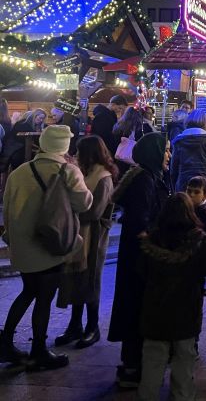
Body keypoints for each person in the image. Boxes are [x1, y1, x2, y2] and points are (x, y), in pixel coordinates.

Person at [0, 125, 93, 370]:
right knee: (44, 298)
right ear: (64, 147)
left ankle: (6, 341)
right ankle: (39, 350)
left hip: (23, 246)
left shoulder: (20, 171)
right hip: (51, 246)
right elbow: (84, 204)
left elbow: (6, 207)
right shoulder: (68, 170)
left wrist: (10, 237)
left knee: (28, 291)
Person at [137, 193, 206, 401]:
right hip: (186, 309)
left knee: (153, 358)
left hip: (154, 310)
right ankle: (182, 396)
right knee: (184, 356)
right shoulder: (199, 241)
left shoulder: (149, 242)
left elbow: (141, 273)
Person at [108, 133, 172, 389]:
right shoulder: (144, 180)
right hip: (141, 260)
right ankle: (133, 366)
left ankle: (134, 363)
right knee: (137, 308)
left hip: (140, 257)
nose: (168, 155)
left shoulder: (148, 177)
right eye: (166, 150)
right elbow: (141, 223)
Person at [55, 135, 118, 350]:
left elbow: (94, 211)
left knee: (91, 278)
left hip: (94, 236)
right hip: (80, 234)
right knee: (77, 277)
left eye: (80, 151)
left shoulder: (103, 177)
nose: (77, 155)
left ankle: (92, 326)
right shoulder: (87, 172)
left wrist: (70, 210)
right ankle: (75, 325)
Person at [170, 109, 206, 202]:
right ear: (205, 123)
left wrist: (173, 189)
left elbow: (173, 169)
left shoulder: (179, 141)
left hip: (184, 187)